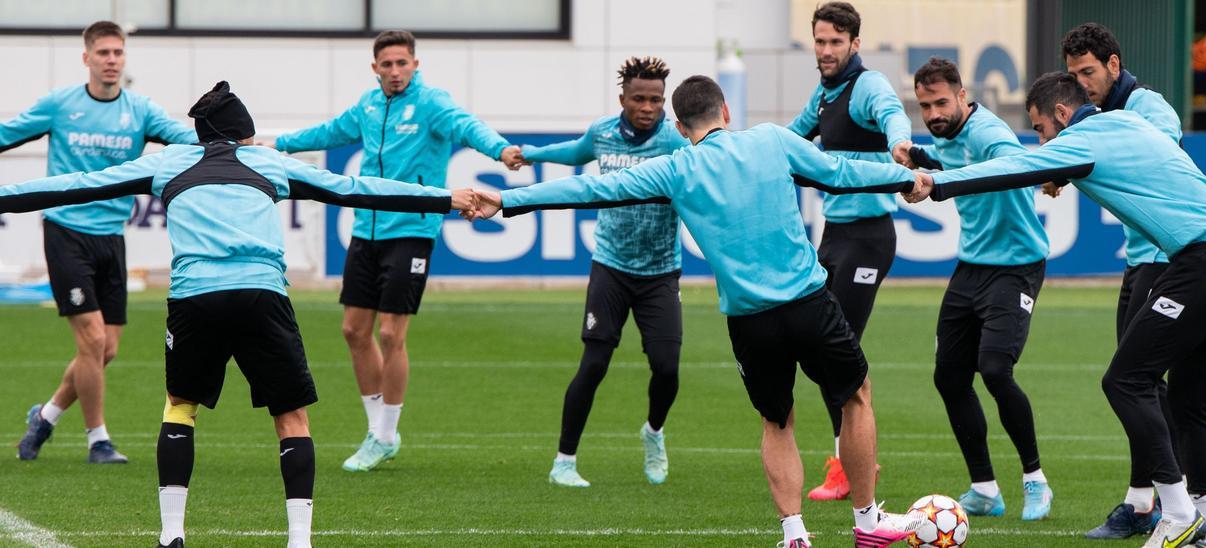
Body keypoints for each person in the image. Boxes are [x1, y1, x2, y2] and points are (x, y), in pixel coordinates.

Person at [0, 81, 477, 548]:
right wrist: (444, 199)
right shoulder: (270, 163)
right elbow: (356, 189)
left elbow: (75, 185)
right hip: (261, 296)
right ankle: (299, 541)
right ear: (244, 133)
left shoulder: (169, 162)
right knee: (291, 416)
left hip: (194, 300)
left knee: (180, 407)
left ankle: (171, 534)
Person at [470, 75, 925, 548]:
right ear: (725, 111)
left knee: (777, 422)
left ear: (681, 126)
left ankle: (794, 535)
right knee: (855, 396)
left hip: (751, 321)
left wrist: (505, 200)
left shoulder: (675, 168)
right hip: (809, 303)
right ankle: (868, 524)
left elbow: (590, 191)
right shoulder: (771, 139)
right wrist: (907, 179)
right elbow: (840, 173)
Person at [907, 72, 1206, 548]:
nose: (1041, 140)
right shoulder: (1125, 124)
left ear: (1062, 115)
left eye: (1041, 129)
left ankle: (1177, 513)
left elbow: (1013, 169)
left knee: (1126, 381)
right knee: (1190, 403)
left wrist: (936, 182)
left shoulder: (1084, 138)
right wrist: (1060, 170)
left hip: (1203, 264)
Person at [270, 30, 522, 472]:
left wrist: (500, 149)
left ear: (415, 65)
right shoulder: (369, 106)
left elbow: (467, 126)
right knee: (353, 331)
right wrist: (279, 144)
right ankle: (378, 432)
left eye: (402, 63)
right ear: (375, 69)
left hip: (413, 229)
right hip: (366, 229)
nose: (395, 71)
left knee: (391, 334)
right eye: (386, 65)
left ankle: (386, 432)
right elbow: (330, 132)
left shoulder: (431, 103)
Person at [9, 20, 197, 464]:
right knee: (92, 341)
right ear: (87, 58)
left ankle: (47, 417)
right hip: (65, 232)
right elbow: (7, 133)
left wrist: (237, 143)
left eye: (118, 53)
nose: (111, 60)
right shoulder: (60, 106)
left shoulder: (140, 110)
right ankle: (99, 440)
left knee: (106, 349)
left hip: (111, 237)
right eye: (104, 53)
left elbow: (190, 139)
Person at [516, 56, 689, 487]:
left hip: (661, 271)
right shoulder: (604, 133)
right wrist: (530, 154)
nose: (648, 107)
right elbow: (574, 152)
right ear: (623, 99)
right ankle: (564, 461)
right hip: (610, 266)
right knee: (593, 365)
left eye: (656, 99)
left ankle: (653, 432)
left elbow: (709, 173)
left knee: (667, 368)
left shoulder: (675, 140)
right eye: (639, 99)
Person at [1059, 22, 1198, 540]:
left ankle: (1161, 503)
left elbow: (1152, 161)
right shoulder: (1100, 115)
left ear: (1114, 65)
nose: (1081, 83)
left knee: (1141, 385)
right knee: (1137, 385)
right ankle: (1145, 501)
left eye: (1088, 72)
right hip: (1139, 261)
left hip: (1168, 259)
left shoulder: (1149, 108)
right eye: (1073, 75)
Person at [907, 57, 1054, 521]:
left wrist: (936, 183)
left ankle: (1035, 480)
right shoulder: (944, 136)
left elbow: (1007, 168)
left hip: (1016, 267)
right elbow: (951, 162)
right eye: (925, 105)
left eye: (941, 102)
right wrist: (921, 161)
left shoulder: (990, 134)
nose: (933, 113)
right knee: (949, 376)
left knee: (994, 369)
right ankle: (985, 489)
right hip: (971, 267)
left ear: (963, 96)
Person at [787, 2, 914, 501]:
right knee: (823, 353)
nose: (826, 50)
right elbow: (790, 137)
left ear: (855, 44)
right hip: (834, 237)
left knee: (839, 350)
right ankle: (850, 460)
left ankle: (853, 467)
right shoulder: (824, 93)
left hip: (868, 238)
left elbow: (891, 115)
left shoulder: (868, 86)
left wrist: (900, 145)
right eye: (820, 41)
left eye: (836, 42)